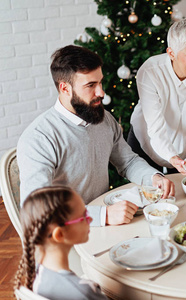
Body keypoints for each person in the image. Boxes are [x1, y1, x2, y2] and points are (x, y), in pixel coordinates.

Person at [17, 45, 174, 226]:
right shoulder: (38, 138)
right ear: (65, 88)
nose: (101, 92)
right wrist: (103, 216)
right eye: (90, 85)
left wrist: (153, 177)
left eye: (100, 82)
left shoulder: (104, 119)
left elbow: (128, 162)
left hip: (104, 223)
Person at [127, 18, 186, 174]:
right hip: (146, 139)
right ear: (171, 53)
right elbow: (156, 129)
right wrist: (172, 156)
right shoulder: (150, 72)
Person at [15, 186, 108, 299]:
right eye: (83, 217)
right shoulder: (83, 292)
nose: (91, 219)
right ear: (59, 234)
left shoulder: (39, 273)